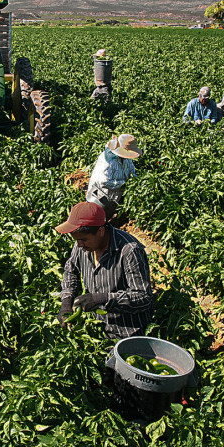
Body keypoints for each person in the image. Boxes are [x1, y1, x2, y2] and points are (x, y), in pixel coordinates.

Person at [56, 201, 153, 344]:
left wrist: (102, 298)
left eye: (83, 240)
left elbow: (143, 297)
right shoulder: (81, 245)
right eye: (77, 240)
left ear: (100, 231)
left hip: (128, 334)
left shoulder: (129, 251)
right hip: (98, 330)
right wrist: (66, 301)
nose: (79, 244)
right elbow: (71, 271)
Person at [86, 133, 140, 219]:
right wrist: (124, 184)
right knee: (95, 220)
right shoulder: (108, 161)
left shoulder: (126, 160)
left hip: (113, 198)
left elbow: (131, 172)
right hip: (100, 197)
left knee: (104, 221)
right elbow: (104, 181)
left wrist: (136, 180)